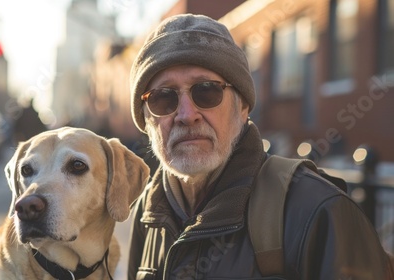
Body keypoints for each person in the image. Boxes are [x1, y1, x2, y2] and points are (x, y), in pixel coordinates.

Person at [127, 14, 393, 279]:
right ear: (146, 120)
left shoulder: (317, 210)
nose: (187, 114)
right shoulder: (147, 214)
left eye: (206, 91)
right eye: (163, 98)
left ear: (242, 106)